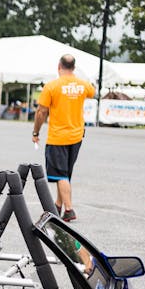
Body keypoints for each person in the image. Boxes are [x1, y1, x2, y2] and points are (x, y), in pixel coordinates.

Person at [32, 54, 95, 222]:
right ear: (74, 68)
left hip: (58, 137)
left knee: (60, 175)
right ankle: (58, 205)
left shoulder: (52, 86)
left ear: (59, 66)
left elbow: (41, 111)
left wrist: (36, 132)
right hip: (76, 136)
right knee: (65, 174)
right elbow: (92, 91)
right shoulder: (83, 85)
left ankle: (69, 209)